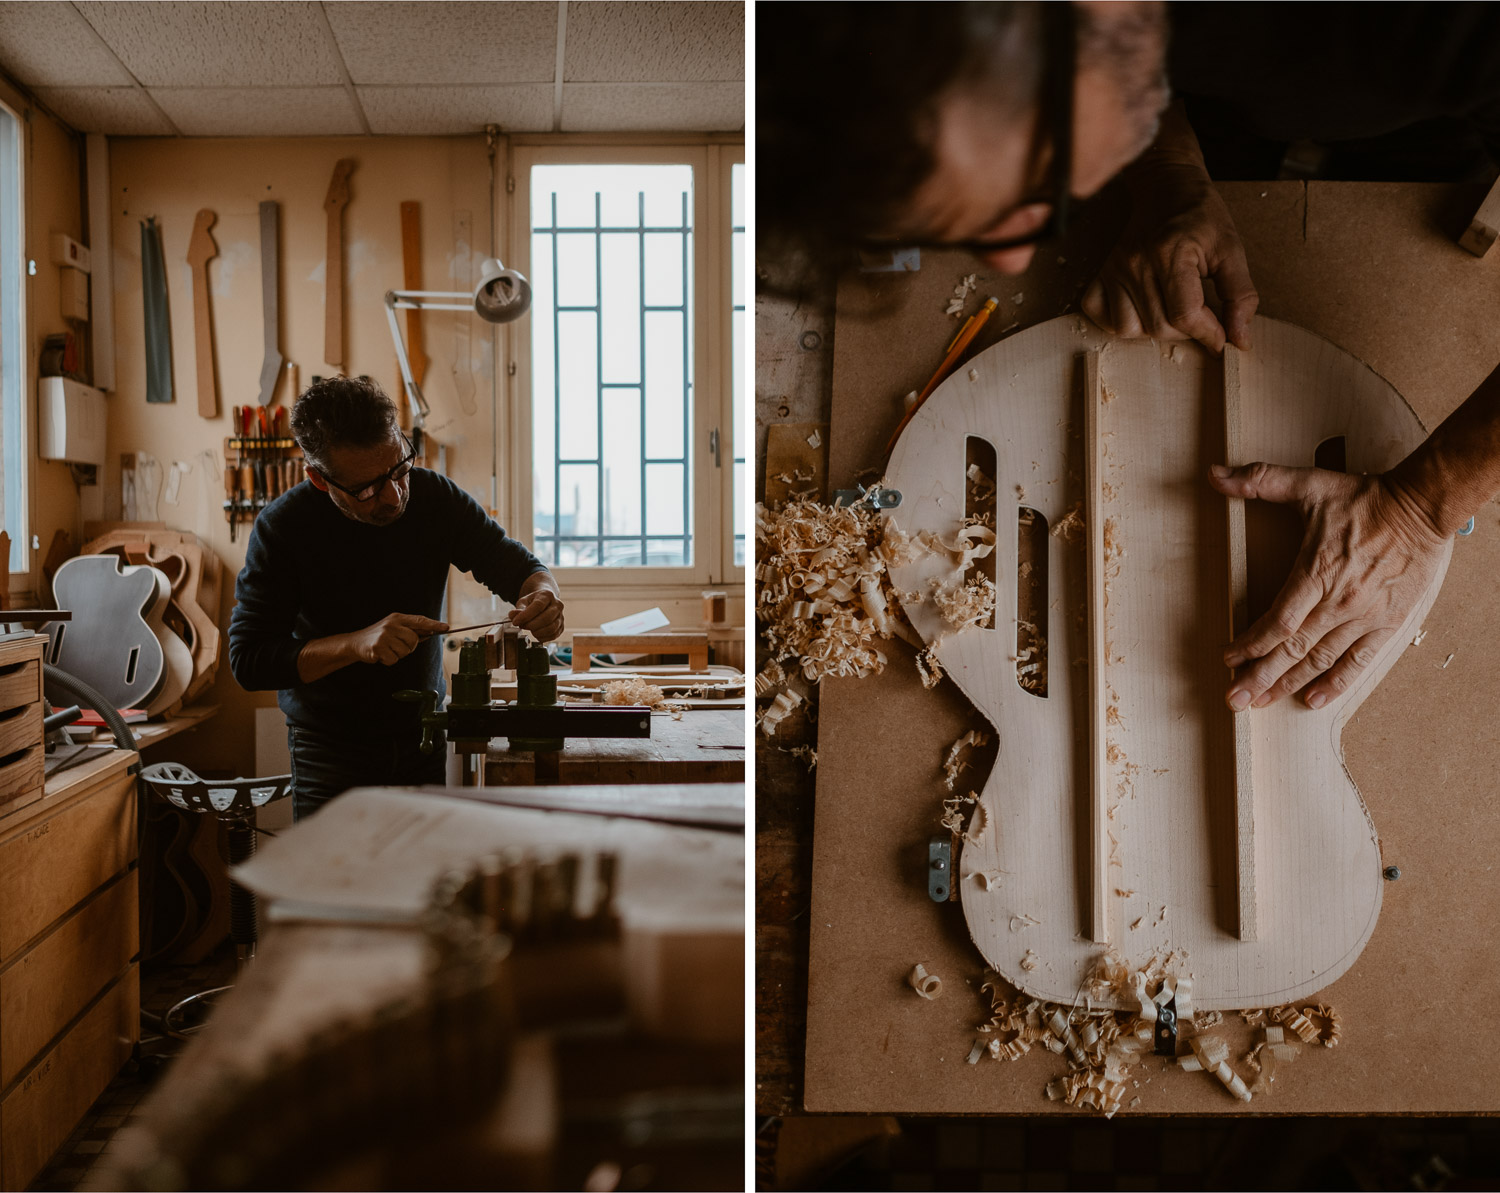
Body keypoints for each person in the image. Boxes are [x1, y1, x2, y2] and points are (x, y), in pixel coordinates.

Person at [759, 1, 1500, 712]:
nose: (1014, 254)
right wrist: (1168, 174)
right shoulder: (1079, 37)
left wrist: (1419, 508)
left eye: (1027, 189)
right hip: (1212, 94)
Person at [228, 376, 564, 819]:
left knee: (416, 881)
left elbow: (519, 568)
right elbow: (249, 660)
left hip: (421, 733)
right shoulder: (283, 529)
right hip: (328, 749)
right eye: (366, 489)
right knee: (335, 885)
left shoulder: (435, 498)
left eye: (399, 468)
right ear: (318, 478)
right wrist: (356, 644)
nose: (394, 495)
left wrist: (545, 596)